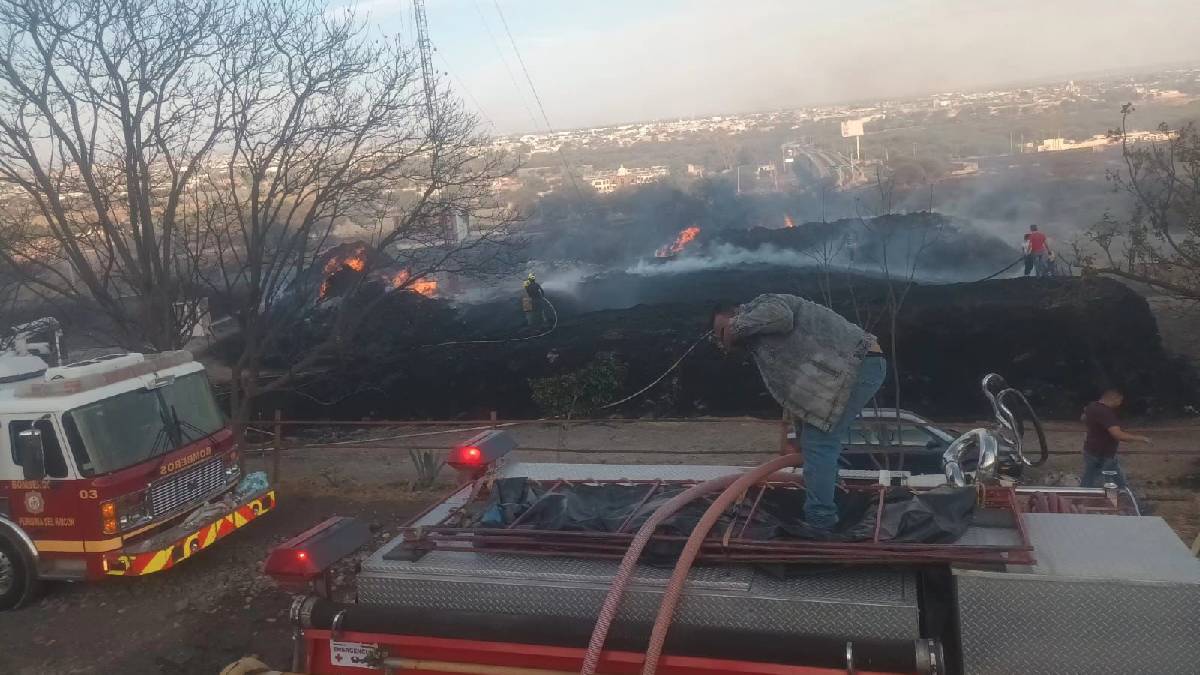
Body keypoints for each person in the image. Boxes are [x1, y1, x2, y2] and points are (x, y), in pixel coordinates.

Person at [711, 294, 886, 532]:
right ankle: (831, 504)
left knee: (820, 442)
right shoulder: (760, 342)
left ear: (732, 314)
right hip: (846, 370)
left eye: (721, 331)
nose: (725, 341)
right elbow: (795, 382)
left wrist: (736, 326)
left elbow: (782, 317)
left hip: (858, 364)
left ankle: (821, 522)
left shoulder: (765, 303)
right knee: (815, 443)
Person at [1079, 387, 1150, 489]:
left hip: (1092, 450)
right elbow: (1118, 434)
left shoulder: (1092, 406)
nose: (1120, 403)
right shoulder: (1106, 413)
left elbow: (1083, 418)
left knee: (1090, 480)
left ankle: (1082, 500)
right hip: (1102, 454)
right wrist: (1141, 438)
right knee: (1105, 483)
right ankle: (1126, 501)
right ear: (1114, 398)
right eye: (1120, 400)